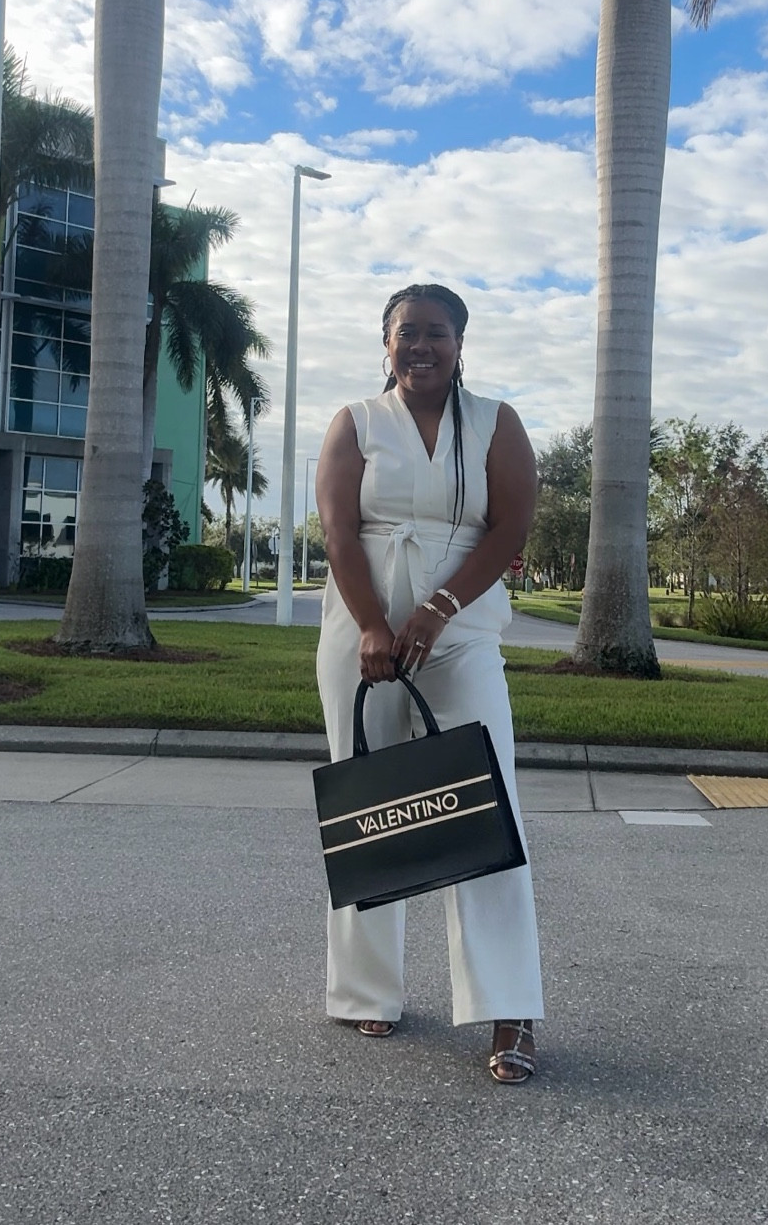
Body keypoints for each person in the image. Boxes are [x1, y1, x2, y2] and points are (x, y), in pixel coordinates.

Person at [314, 283, 544, 1084]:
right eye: (406, 333)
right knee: (372, 805)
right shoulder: (355, 422)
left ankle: (509, 1008)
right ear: (386, 344)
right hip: (361, 635)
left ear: (459, 343)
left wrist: (438, 609)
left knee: (491, 805)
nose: (421, 346)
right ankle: (366, 987)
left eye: (435, 334)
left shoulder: (494, 422)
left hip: (463, 634)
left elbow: (510, 525)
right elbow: (338, 530)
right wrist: (376, 624)